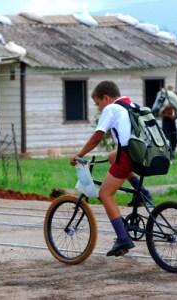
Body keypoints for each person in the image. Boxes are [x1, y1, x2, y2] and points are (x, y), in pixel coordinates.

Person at [70, 80, 151, 257]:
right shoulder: (130, 103)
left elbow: (97, 136)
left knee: (104, 194)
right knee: (111, 156)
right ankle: (142, 192)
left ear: (106, 98)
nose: (99, 108)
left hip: (127, 155)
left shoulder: (111, 108)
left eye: (98, 103)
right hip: (140, 154)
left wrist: (80, 154)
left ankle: (123, 238)